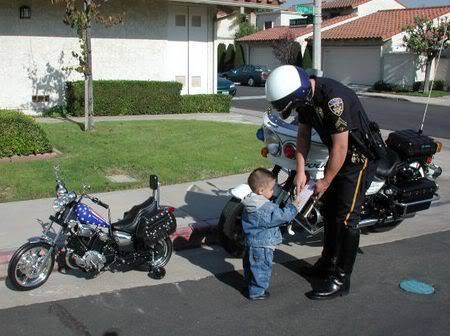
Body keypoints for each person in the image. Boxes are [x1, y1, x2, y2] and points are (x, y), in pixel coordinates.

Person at [265, 65, 378, 300]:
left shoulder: (333, 100)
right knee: (329, 212)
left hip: (358, 160)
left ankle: (340, 280)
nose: (295, 110)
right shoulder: (306, 98)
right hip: (338, 159)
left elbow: (341, 146)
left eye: (293, 105)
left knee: (346, 218)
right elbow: (303, 135)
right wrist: (300, 171)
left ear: (299, 94)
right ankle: (327, 264)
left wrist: (325, 181)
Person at [242, 168, 299, 300]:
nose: (273, 191)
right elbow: (282, 216)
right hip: (263, 245)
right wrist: (294, 207)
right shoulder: (266, 208)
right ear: (261, 191)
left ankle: (250, 285)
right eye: (272, 189)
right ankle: (257, 292)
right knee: (262, 268)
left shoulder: (249, 201)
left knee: (251, 267)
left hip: (250, 242)